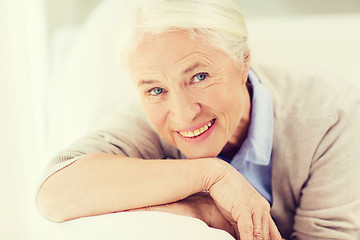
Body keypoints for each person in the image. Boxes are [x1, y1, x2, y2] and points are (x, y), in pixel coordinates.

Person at [36, 0, 360, 239]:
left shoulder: (331, 116)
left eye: (199, 76)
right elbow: (54, 193)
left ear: (242, 61)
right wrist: (209, 184)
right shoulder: (145, 121)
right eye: (156, 89)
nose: (182, 113)